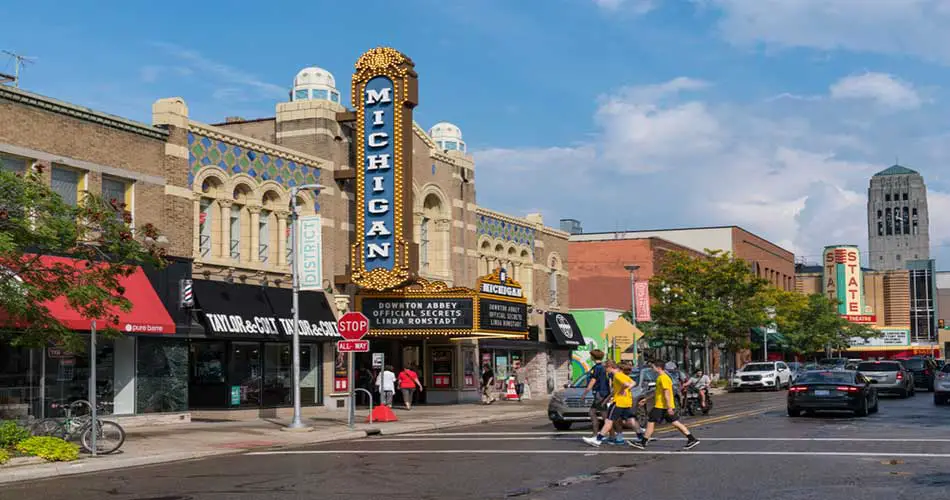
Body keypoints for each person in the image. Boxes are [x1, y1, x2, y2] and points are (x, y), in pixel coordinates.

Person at [630, 359, 699, 450]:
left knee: (651, 421)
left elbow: (667, 393)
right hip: (663, 405)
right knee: (675, 423)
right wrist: (646, 399)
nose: (652, 369)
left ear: (658, 368)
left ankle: (643, 442)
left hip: (662, 406)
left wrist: (669, 407)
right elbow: (657, 392)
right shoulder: (660, 378)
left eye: (653, 367)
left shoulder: (663, 378)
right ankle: (692, 439)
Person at [582, 361, 644, 447]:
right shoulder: (622, 375)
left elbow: (626, 384)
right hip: (626, 402)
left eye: (606, 368)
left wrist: (623, 389)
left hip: (618, 402)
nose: (605, 370)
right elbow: (633, 383)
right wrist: (608, 399)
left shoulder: (617, 375)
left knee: (609, 420)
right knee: (631, 420)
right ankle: (641, 437)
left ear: (610, 367)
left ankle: (598, 439)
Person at [579, 349, 611, 436]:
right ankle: (602, 434)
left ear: (593, 357)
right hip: (604, 393)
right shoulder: (604, 367)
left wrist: (584, 394)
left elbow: (592, 381)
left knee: (599, 414)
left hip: (599, 394)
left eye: (591, 355)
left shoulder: (597, 368)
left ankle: (599, 434)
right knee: (600, 414)